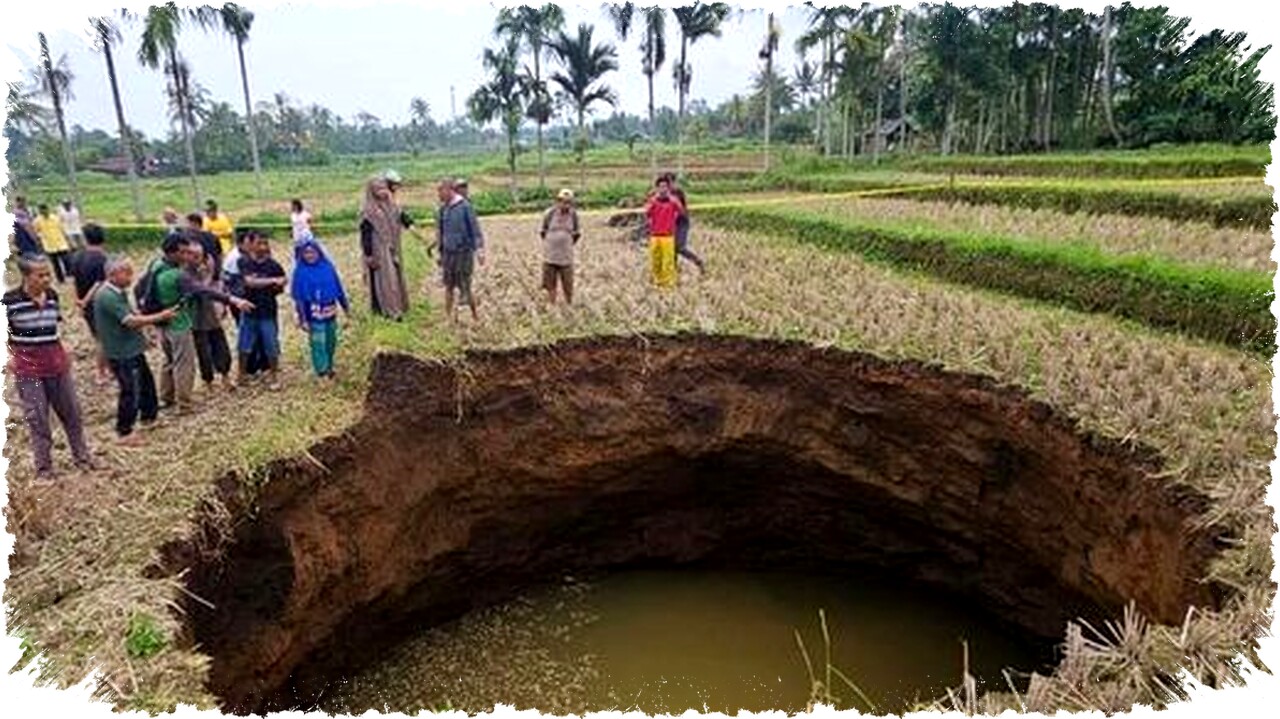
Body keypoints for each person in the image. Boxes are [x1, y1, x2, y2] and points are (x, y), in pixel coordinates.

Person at [3, 254, 96, 481]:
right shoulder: (11, 301)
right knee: (38, 418)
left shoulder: (53, 297)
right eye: (41, 275)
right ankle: (44, 468)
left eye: (48, 274)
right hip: (28, 368)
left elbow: (54, 329)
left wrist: (65, 352)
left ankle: (82, 457)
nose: (46, 279)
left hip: (56, 364)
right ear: (26, 276)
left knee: (72, 413)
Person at [150, 234, 252, 414]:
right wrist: (232, 300)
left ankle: (166, 397)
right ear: (172, 253)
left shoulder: (157, 266)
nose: (185, 256)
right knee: (184, 363)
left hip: (161, 320)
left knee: (168, 359)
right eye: (182, 252)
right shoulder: (178, 275)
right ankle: (185, 404)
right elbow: (202, 290)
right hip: (179, 322)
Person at [94, 256, 176, 445]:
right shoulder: (107, 296)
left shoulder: (118, 292)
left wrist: (144, 337)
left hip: (131, 347)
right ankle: (124, 430)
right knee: (130, 390)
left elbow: (132, 316)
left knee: (146, 382)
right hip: (121, 351)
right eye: (127, 273)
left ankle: (149, 417)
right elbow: (129, 321)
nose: (131, 277)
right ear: (113, 275)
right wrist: (159, 316)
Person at [291, 236, 349, 379]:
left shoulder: (328, 267)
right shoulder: (300, 272)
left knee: (330, 340)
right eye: (306, 253)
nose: (310, 255)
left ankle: (329, 366)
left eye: (312, 252)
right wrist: (303, 319)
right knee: (318, 341)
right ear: (302, 255)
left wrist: (346, 308)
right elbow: (299, 298)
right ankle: (321, 370)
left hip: (330, 310)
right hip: (313, 312)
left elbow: (338, 288)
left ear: (319, 252)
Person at [237, 231, 287, 388]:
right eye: (259, 243)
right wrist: (272, 281)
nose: (263, 247)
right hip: (249, 310)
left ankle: (274, 376)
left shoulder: (274, 265)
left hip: (268, 311)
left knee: (271, 344)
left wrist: (278, 284)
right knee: (244, 344)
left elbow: (282, 285)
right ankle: (242, 374)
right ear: (251, 244)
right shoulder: (244, 262)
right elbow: (249, 282)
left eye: (265, 243)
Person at [359, 177, 412, 320]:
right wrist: (369, 255)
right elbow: (365, 234)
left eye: (384, 188)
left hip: (393, 246)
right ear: (371, 192)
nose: (382, 192)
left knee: (396, 277)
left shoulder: (392, 205)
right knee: (385, 280)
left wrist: (411, 225)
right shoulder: (369, 210)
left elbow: (403, 218)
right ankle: (390, 311)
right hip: (378, 249)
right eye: (378, 189)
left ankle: (400, 305)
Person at [69, 223, 111, 384]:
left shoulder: (77, 256)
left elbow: (73, 280)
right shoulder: (102, 258)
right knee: (103, 339)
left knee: (97, 337)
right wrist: (86, 300)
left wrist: (78, 301)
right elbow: (99, 283)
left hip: (85, 303)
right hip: (97, 303)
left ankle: (106, 368)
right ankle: (101, 372)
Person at [437, 180, 484, 323]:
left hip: (463, 253)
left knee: (465, 287)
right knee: (449, 286)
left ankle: (475, 317)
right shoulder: (442, 210)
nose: (439, 195)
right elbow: (441, 233)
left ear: (450, 190)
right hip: (448, 254)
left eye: (441, 191)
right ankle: (448, 317)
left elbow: (475, 231)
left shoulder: (465, 207)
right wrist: (440, 254)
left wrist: (480, 250)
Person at [190, 241, 234, 392]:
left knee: (221, 347)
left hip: (212, 317)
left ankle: (225, 377)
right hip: (196, 320)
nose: (198, 259)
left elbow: (217, 290)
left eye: (200, 256)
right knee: (204, 352)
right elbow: (201, 291)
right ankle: (208, 382)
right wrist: (209, 275)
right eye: (194, 256)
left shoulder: (204, 270)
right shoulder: (185, 274)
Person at [539, 188, 581, 305]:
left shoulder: (574, 215)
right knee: (550, 283)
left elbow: (577, 234)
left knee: (568, 283)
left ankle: (569, 304)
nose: (566, 204)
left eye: (569, 202)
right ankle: (551, 304)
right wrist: (552, 242)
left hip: (566, 257)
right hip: (550, 255)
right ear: (558, 201)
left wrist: (566, 243)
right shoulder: (549, 213)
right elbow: (543, 232)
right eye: (563, 201)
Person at [645, 175, 683, 289]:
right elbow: (647, 212)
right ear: (657, 188)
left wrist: (673, 201)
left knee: (667, 262)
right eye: (660, 186)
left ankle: (668, 284)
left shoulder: (673, 201)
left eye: (665, 186)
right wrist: (653, 201)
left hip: (668, 236)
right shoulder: (653, 200)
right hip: (655, 235)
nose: (663, 189)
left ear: (669, 188)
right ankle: (657, 282)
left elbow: (681, 211)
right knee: (655, 260)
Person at [666, 173, 706, 275]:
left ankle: (698, 262)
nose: (669, 185)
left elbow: (681, 210)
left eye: (670, 182)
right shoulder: (663, 194)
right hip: (670, 223)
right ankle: (673, 271)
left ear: (673, 182)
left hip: (682, 222)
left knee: (680, 247)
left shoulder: (677, 192)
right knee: (671, 248)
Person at [33, 203, 72, 283]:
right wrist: (40, 242)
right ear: (40, 211)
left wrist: (68, 240)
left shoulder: (55, 218)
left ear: (48, 209)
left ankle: (70, 276)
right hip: (49, 246)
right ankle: (61, 279)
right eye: (41, 210)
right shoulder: (37, 221)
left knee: (66, 260)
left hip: (61, 243)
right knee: (55, 264)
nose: (44, 211)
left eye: (45, 209)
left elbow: (62, 229)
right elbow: (36, 233)